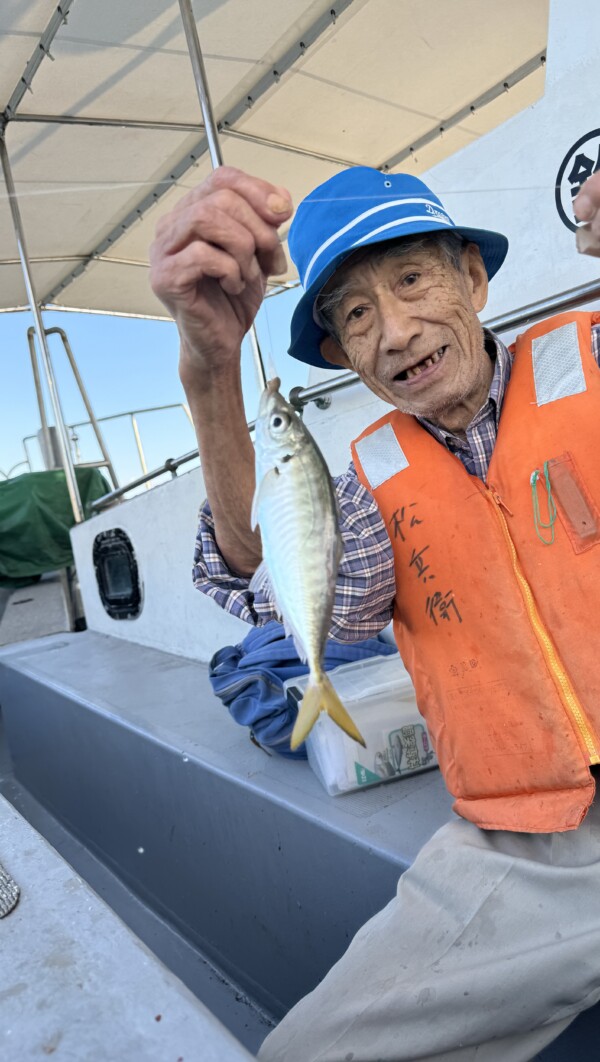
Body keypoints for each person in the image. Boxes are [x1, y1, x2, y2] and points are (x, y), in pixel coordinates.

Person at [150, 164, 600, 1062]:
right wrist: (211, 367)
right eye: (356, 316)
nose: (394, 332)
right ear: (345, 358)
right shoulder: (361, 486)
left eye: (411, 281)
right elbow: (265, 572)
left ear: (472, 280)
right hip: (529, 848)